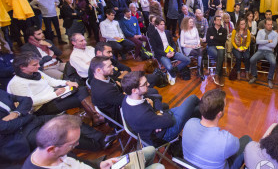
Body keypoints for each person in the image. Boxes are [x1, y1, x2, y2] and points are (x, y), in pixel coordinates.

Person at [22, 115, 164, 169]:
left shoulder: (55, 153)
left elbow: (80, 164)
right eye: (72, 144)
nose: (77, 145)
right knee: (158, 167)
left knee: (150, 150)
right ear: (51, 149)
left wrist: (100, 164)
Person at [7, 53, 104, 126]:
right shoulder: (17, 83)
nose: (38, 66)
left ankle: (96, 116)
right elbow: (30, 102)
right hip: (43, 107)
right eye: (34, 65)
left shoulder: (36, 73)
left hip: (54, 97)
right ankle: (97, 115)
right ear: (22, 67)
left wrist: (67, 82)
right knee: (79, 97)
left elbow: (52, 81)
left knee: (81, 89)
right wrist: (54, 95)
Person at [121, 71, 200, 146]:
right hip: (164, 135)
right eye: (145, 84)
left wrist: (158, 112)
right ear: (134, 90)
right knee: (193, 98)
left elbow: (156, 99)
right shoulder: (142, 114)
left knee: (195, 109)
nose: (148, 84)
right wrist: (159, 115)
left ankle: (203, 119)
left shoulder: (129, 98)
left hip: (161, 122)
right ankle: (206, 117)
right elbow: (170, 121)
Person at [182, 89, 251, 169]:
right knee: (247, 140)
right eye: (225, 105)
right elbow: (235, 148)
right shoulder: (226, 140)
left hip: (189, 166)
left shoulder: (189, 123)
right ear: (219, 114)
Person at [89, 56, 165, 125]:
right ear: (99, 70)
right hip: (123, 114)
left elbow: (120, 88)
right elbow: (127, 101)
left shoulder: (100, 79)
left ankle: (158, 115)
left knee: (154, 94)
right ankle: (158, 121)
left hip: (122, 104)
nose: (113, 67)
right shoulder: (104, 90)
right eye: (109, 66)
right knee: (157, 98)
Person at [149, 17, 191, 85]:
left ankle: (173, 71)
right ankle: (173, 75)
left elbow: (173, 43)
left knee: (188, 60)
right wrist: (166, 54)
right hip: (162, 54)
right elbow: (155, 49)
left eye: (163, 24)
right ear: (156, 25)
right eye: (161, 24)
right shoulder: (153, 35)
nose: (163, 26)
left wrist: (173, 51)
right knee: (169, 67)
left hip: (171, 52)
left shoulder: (167, 32)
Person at [249, 19, 278, 89]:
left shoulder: (275, 34)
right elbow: (257, 41)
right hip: (260, 51)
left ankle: (269, 79)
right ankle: (254, 76)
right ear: (265, 25)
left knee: (273, 62)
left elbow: (273, 45)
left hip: (269, 52)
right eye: (268, 24)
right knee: (252, 59)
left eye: (271, 24)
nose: (270, 26)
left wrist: (263, 43)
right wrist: (268, 41)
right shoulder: (260, 32)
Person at [207, 15, 228, 86]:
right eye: (218, 20)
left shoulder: (224, 30)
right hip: (211, 47)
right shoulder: (209, 29)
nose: (220, 21)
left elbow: (223, 41)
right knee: (219, 56)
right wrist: (218, 39)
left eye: (220, 20)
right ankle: (220, 74)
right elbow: (208, 41)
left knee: (221, 53)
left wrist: (214, 38)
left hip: (220, 47)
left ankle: (216, 75)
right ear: (214, 21)